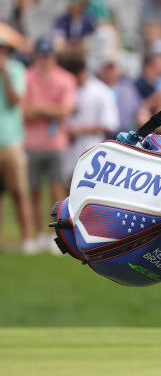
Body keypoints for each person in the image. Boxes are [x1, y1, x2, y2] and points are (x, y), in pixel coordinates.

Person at [22, 35, 76, 254]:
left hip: (56, 143)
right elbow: (25, 111)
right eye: (42, 55)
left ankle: (55, 235)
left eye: (48, 55)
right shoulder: (27, 77)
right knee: (33, 190)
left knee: (56, 191)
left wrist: (39, 108)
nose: (45, 59)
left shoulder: (66, 79)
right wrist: (50, 109)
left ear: (54, 57)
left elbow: (65, 110)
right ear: (36, 56)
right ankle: (35, 235)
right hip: (32, 142)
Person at [0, 29, 37, 253]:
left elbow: (15, 101)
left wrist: (4, 74)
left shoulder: (15, 69)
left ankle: (27, 239)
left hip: (12, 141)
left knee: (19, 192)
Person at [60, 53, 119, 183]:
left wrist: (79, 130)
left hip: (91, 150)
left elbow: (110, 124)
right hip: (66, 150)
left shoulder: (101, 91)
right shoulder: (64, 89)